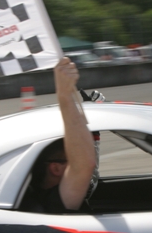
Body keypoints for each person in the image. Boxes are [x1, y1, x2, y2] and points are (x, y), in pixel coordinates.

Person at [20, 57, 97, 213]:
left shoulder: (40, 197)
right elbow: (85, 163)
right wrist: (65, 95)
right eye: (71, 160)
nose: (75, 161)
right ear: (55, 168)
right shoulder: (54, 203)